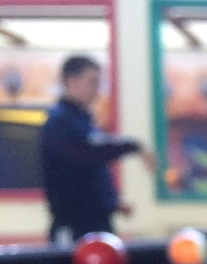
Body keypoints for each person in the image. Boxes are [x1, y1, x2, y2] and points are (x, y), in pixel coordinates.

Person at [40, 54, 156, 243]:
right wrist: (134, 146)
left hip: (96, 223)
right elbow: (86, 152)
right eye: (92, 83)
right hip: (75, 227)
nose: (97, 91)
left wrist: (111, 201)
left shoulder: (82, 120)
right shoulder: (59, 122)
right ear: (71, 81)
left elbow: (89, 172)